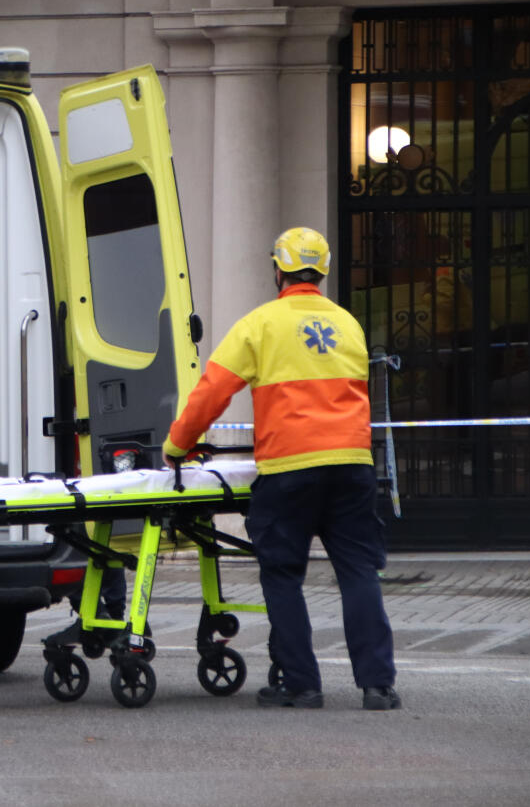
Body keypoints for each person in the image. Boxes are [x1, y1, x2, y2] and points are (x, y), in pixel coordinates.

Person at [161, 227, 400, 711]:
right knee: (358, 573)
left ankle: (301, 684)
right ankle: (377, 686)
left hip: (290, 470)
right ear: (324, 270)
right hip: (352, 464)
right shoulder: (348, 324)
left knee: (283, 573)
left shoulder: (259, 324)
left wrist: (178, 444)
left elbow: (212, 391)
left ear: (278, 269)